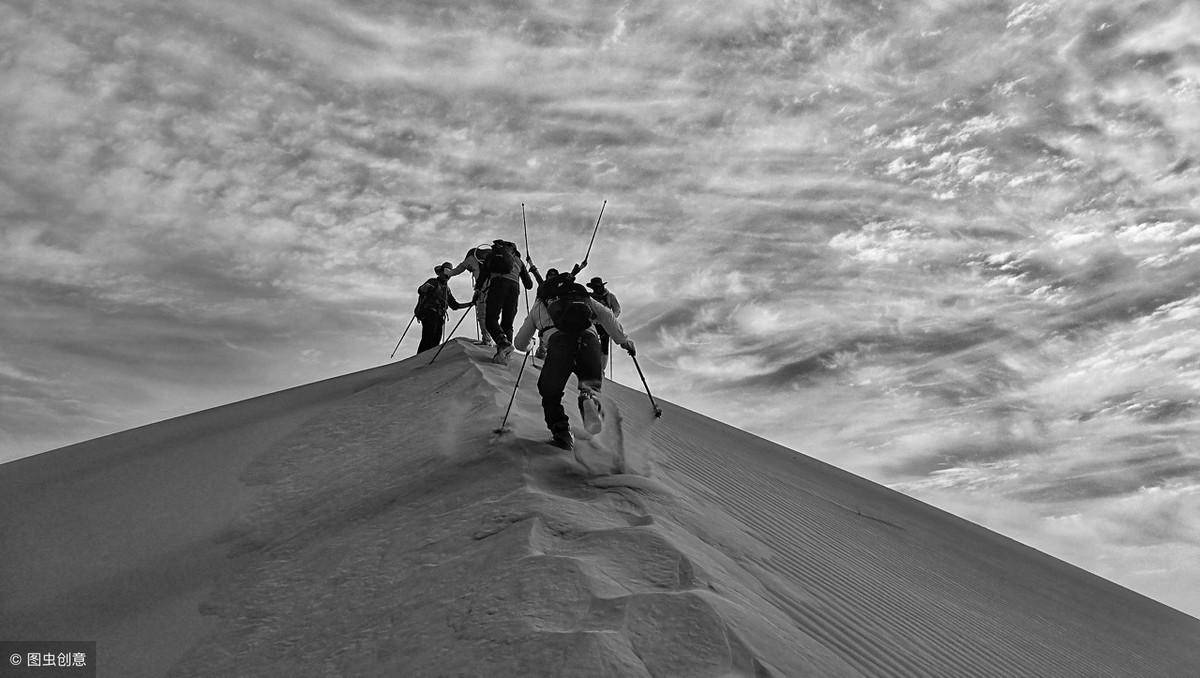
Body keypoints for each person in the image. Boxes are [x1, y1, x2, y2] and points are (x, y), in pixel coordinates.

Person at [513, 275, 635, 450]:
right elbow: (607, 315)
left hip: (559, 344)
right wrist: (623, 341)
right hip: (589, 340)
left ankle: (562, 433)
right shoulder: (580, 296)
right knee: (591, 384)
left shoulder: (539, 307)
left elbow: (519, 343)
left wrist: (530, 344)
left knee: (549, 391)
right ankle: (588, 398)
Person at [483, 239, 534, 364]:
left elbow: (483, 275)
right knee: (507, 322)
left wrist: (478, 290)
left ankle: (503, 343)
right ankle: (505, 354)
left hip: (498, 284)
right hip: (514, 289)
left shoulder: (492, 256)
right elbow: (529, 285)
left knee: (490, 319)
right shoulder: (519, 261)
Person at [414, 262, 473, 354]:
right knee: (429, 337)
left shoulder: (447, 290)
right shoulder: (433, 282)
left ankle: (425, 358)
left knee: (435, 338)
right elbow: (421, 290)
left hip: (438, 316)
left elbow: (454, 305)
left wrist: (471, 304)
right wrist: (424, 288)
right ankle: (422, 358)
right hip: (429, 313)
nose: (447, 276)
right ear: (440, 272)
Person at [444, 245, 493, 346]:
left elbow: (455, 271)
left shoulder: (470, 259)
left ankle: (487, 340)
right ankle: (497, 340)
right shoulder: (491, 259)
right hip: (496, 290)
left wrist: (446, 271)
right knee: (493, 315)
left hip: (483, 290)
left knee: (482, 316)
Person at [585, 277, 621, 359]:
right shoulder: (589, 297)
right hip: (592, 323)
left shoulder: (610, 296)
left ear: (602, 286)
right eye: (594, 287)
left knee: (604, 344)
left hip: (605, 323)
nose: (596, 289)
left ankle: (602, 368)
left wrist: (611, 319)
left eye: (597, 287)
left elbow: (617, 310)